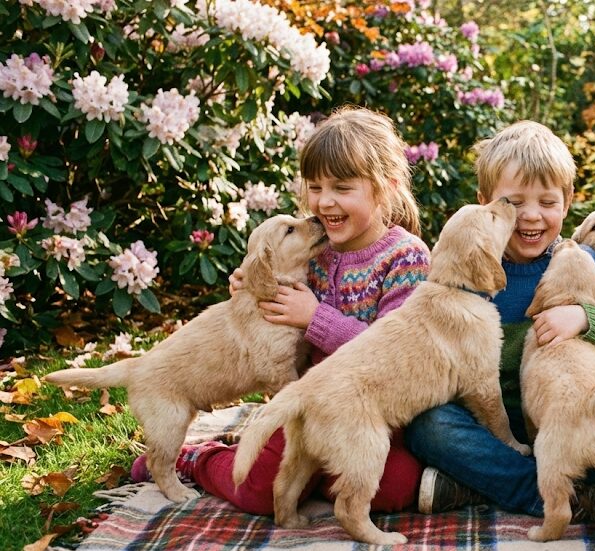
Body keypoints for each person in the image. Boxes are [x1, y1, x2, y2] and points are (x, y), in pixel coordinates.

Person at [131, 107, 431, 515]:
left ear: (386, 187)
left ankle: (316, 475)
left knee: (393, 489)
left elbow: (396, 357)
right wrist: (248, 286)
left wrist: (315, 318)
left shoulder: (405, 258)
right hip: (302, 407)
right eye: (314, 186)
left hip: (369, 409)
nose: (324, 202)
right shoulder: (306, 249)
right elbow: (258, 301)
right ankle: (196, 459)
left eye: (342, 188)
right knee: (259, 492)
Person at [405, 121, 595, 526]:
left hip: (565, 415)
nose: (531, 216)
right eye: (514, 202)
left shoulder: (579, 261)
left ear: (568, 201)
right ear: (487, 202)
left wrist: (585, 318)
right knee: (428, 426)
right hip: (491, 424)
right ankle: (538, 493)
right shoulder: (468, 265)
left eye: (547, 202)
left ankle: (476, 485)